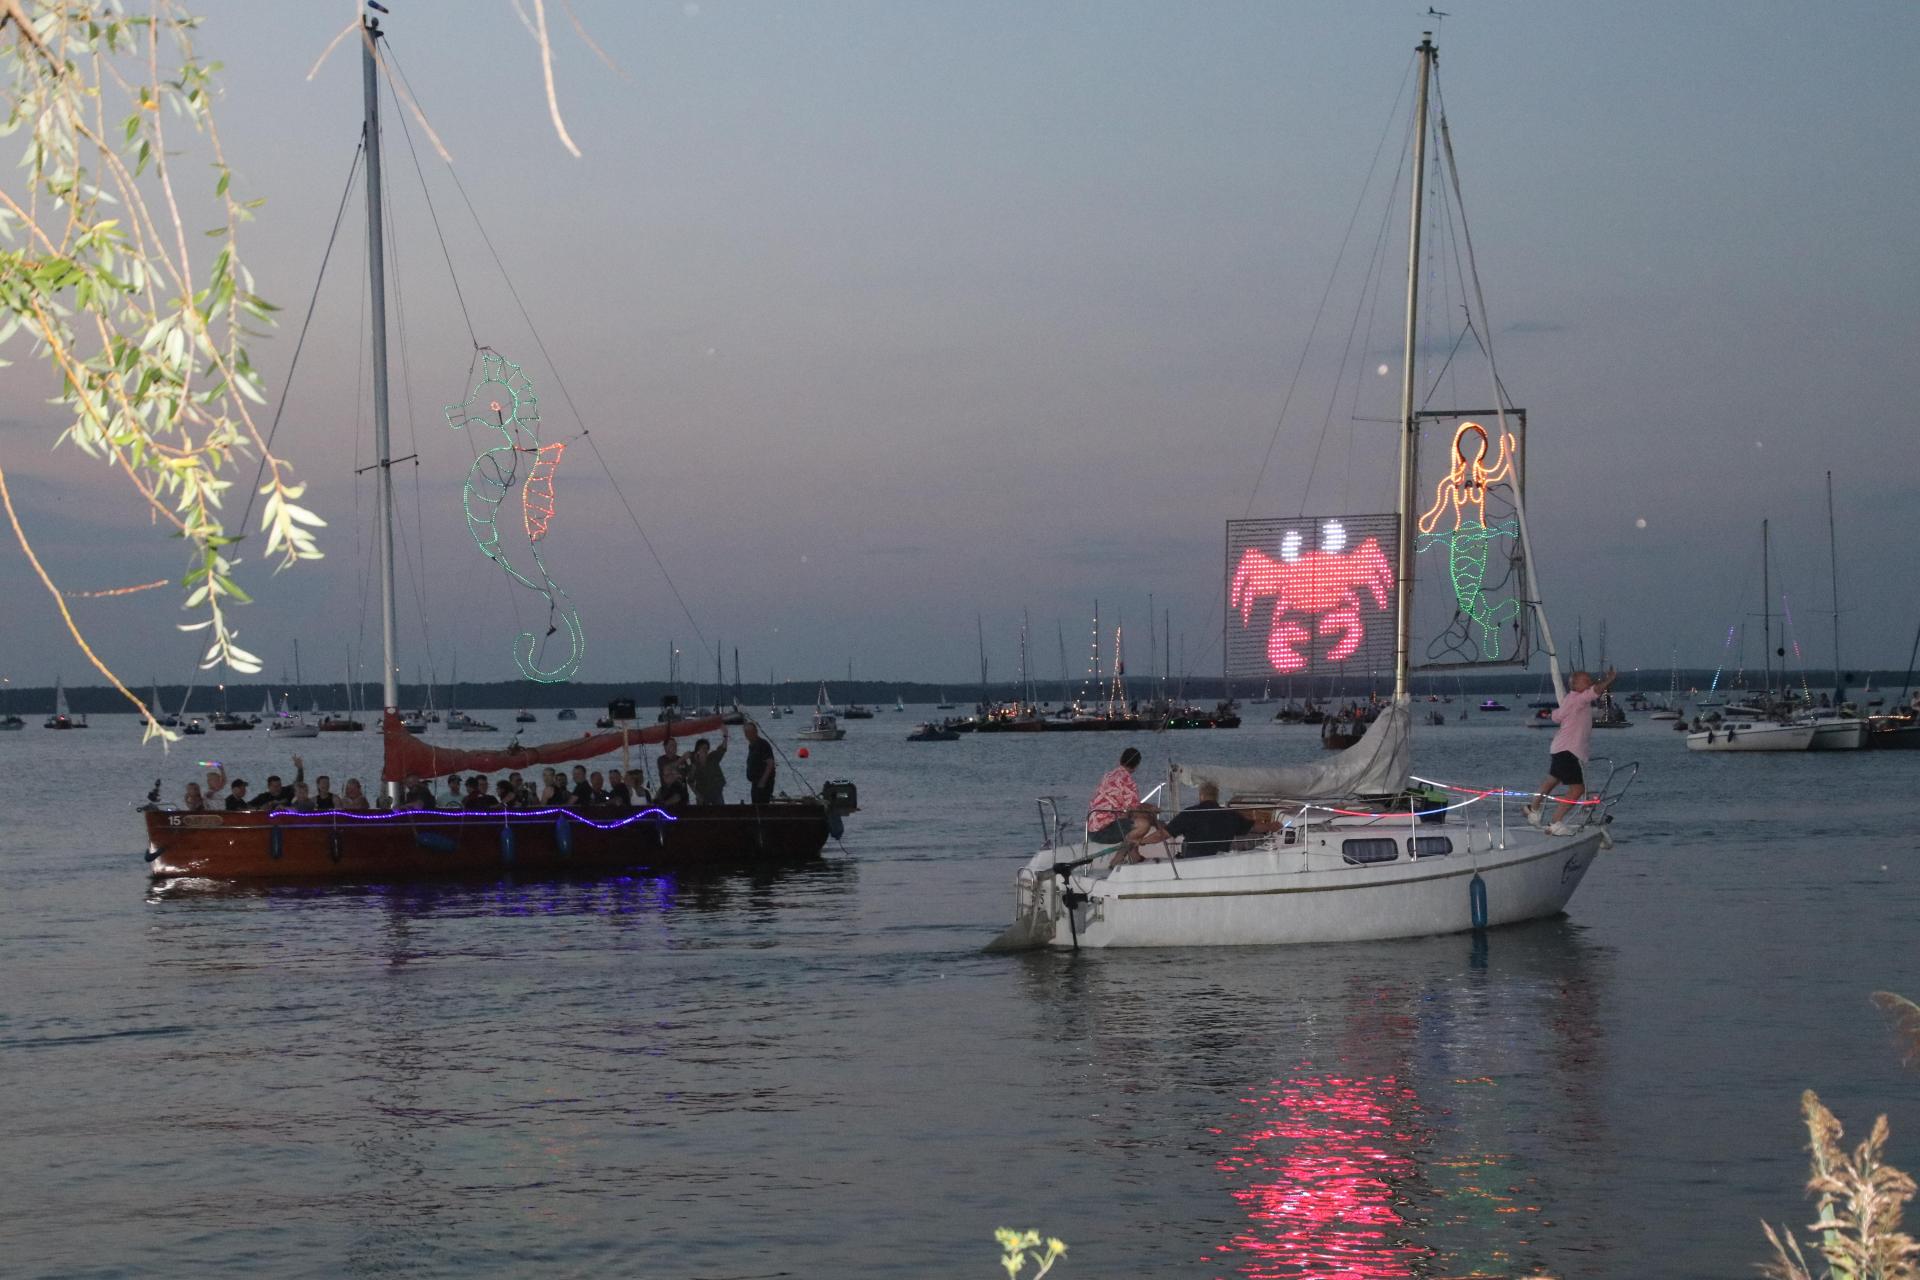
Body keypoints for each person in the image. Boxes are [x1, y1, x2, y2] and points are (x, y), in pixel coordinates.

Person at [1523, 667, 1618, 834]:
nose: (1589, 682)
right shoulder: (1578, 700)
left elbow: (1556, 716)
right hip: (1569, 751)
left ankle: (1533, 807)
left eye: (1590, 679)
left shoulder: (1569, 700)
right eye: (1585, 680)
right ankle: (1555, 822)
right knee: (1577, 789)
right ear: (1575, 684)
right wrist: (1609, 680)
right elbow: (1595, 691)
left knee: (1552, 780)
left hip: (1560, 748)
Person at [1165, 781, 1278, 857]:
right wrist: (1272, 826)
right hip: (1219, 858)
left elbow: (1164, 834)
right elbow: (1254, 827)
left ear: (1201, 796)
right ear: (1216, 797)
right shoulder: (1230, 815)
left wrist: (1146, 840)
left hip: (1192, 858)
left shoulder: (1189, 813)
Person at [1086, 747, 1145, 843]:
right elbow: (1135, 808)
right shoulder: (1128, 781)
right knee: (1143, 824)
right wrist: (1152, 809)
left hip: (1091, 829)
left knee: (1133, 819)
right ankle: (1120, 857)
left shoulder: (1108, 775)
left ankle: (1135, 855)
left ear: (1121, 759)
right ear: (1137, 765)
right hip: (1104, 830)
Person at [690, 727, 730, 805]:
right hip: (702, 794)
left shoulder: (713, 757)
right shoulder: (694, 764)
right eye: (703, 748)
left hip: (716, 792)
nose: (705, 750)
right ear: (698, 750)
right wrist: (697, 794)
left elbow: (723, 748)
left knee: (721, 812)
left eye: (707, 748)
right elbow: (690, 781)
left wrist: (725, 735)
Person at [743, 721, 776, 805]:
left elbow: (770, 763)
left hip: (763, 784)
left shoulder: (762, 744)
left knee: (762, 806)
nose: (747, 734)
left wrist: (762, 781)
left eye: (750, 732)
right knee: (755, 805)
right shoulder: (752, 745)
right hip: (755, 783)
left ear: (755, 732)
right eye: (746, 732)